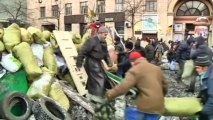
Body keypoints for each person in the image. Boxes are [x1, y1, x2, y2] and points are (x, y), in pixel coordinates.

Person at [106, 51, 168, 119]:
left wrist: (109, 94)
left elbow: (123, 87)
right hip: (159, 104)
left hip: (146, 105)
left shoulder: (135, 70)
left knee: (129, 113)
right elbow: (165, 86)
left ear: (132, 61)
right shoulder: (156, 68)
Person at [76, 26, 112, 103]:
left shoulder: (104, 42)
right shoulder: (91, 41)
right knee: (100, 78)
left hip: (98, 62)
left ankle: (91, 94)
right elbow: (83, 51)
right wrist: (79, 63)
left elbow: (106, 53)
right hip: (91, 63)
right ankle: (97, 97)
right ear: (100, 33)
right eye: (105, 35)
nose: (106, 36)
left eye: (106, 35)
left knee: (96, 79)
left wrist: (109, 62)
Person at [194, 55, 213, 120]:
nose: (196, 70)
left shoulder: (211, 78)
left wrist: (204, 113)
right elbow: (204, 86)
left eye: (198, 68)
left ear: (205, 67)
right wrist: (201, 96)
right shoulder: (205, 74)